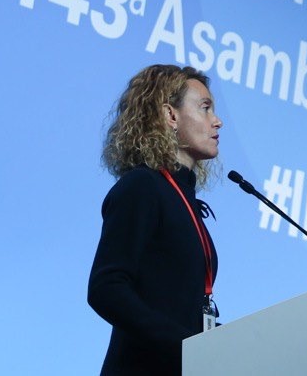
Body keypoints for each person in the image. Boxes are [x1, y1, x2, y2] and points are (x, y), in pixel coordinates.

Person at [88, 64, 224, 375]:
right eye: (205, 108)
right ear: (170, 115)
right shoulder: (142, 186)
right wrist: (185, 345)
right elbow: (106, 287)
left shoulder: (182, 197)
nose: (217, 121)